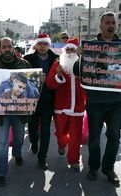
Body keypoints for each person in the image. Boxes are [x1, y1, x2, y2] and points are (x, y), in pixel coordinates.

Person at [74, 12, 121, 185]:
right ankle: (94, 167)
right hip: (95, 102)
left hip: (116, 102)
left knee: (115, 137)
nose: (111, 25)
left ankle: (108, 168)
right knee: (94, 140)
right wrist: (80, 56)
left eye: (113, 22)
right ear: (100, 25)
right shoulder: (90, 46)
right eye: (107, 22)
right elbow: (76, 72)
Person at [0, 37, 32, 187]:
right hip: (1, 113)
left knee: (19, 137)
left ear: (13, 48)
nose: (7, 49)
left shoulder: (24, 65)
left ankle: (17, 153)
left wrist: (40, 81)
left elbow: (32, 89)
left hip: (19, 112)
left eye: (9, 46)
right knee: (1, 143)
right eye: (4, 47)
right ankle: (1, 173)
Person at [47, 38, 86, 172]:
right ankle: (62, 144)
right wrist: (58, 74)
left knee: (76, 136)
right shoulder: (58, 64)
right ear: (64, 50)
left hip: (78, 107)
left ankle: (74, 160)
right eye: (68, 49)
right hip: (61, 106)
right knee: (61, 133)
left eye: (73, 50)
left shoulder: (83, 64)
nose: (70, 52)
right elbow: (50, 84)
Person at [24, 33, 59, 170]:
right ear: (36, 45)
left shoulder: (56, 59)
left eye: (45, 44)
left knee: (46, 130)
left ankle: (42, 157)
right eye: (40, 44)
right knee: (32, 128)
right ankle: (33, 142)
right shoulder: (27, 59)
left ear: (49, 45)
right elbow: (20, 76)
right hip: (31, 100)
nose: (43, 46)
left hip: (48, 101)